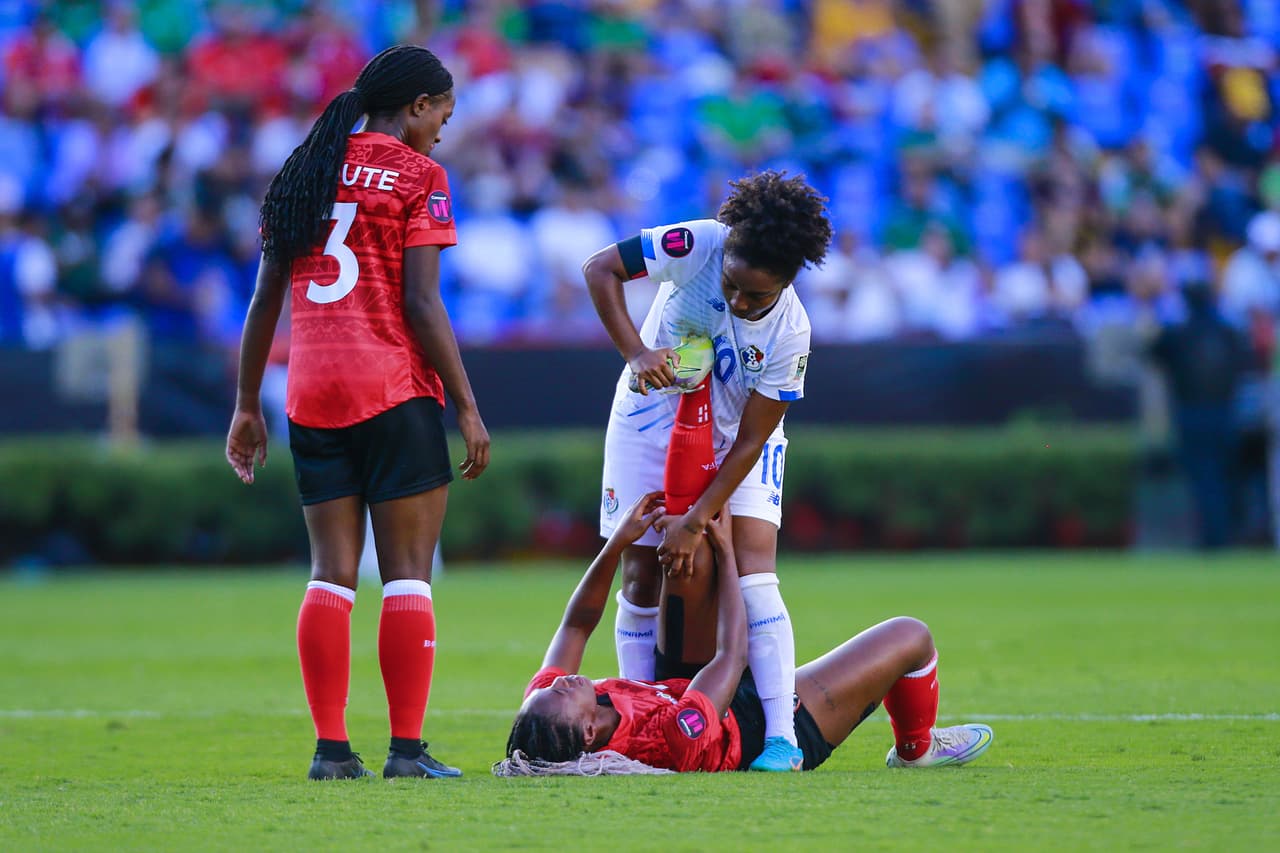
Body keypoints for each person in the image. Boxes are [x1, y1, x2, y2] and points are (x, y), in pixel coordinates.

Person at [225, 45, 490, 781]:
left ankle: (331, 750)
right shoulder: (418, 176)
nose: (442, 127)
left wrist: (247, 404)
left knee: (330, 574)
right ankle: (407, 750)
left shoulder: (304, 170)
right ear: (415, 106)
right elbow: (422, 303)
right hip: (393, 388)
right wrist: (467, 405)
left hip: (312, 393)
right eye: (442, 110)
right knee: (406, 575)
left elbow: (263, 299)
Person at [582, 170, 832, 771]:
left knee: (755, 573)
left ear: (789, 281)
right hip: (649, 417)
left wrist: (696, 518)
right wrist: (637, 353)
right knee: (640, 573)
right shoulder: (697, 242)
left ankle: (781, 739)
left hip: (734, 439)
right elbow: (600, 269)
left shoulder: (791, 333)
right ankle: (639, 719)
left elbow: (751, 437)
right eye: (734, 286)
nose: (741, 303)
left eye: (757, 296)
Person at [493, 493, 994, 776]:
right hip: (750, 724)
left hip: (686, 684)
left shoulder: (548, 706)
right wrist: (733, 554)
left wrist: (621, 540)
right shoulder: (667, 742)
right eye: (558, 695)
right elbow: (732, 658)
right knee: (911, 636)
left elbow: (577, 623)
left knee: (688, 550)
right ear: (586, 735)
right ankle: (916, 750)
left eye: (547, 687)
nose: (557, 683)